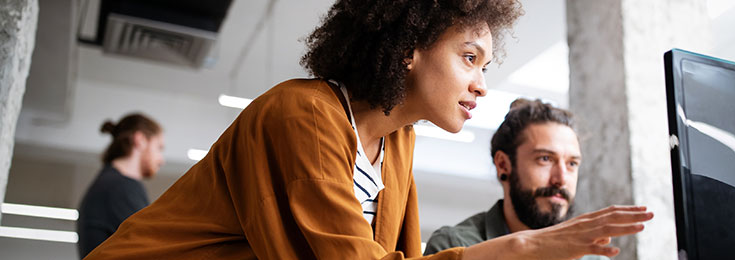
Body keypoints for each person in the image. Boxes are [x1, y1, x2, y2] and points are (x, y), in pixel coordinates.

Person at [84, 1, 652, 259]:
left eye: (487, 66)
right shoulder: (303, 115)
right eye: (469, 57)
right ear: (409, 48)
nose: (481, 84)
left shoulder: (397, 144)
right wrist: (528, 246)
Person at [425, 99, 613, 259]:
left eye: (572, 164)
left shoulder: (589, 253)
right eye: (545, 159)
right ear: (503, 165)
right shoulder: (455, 247)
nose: (561, 179)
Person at [77, 113, 164, 258]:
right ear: (140, 140)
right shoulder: (120, 187)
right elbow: (152, 249)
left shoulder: (109, 183)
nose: (161, 160)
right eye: (159, 148)